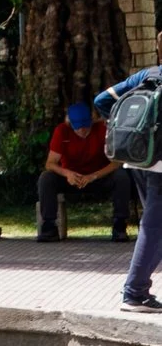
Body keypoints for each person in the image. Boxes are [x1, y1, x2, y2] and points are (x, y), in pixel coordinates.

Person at [98, 67, 162, 310]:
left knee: (156, 229)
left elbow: (102, 100)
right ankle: (134, 292)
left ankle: (137, 290)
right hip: (160, 168)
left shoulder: (147, 76)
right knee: (153, 228)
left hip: (138, 160)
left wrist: (127, 132)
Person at [37, 101, 133, 242]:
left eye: (85, 126)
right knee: (46, 178)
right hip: (72, 178)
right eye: (77, 127)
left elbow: (117, 162)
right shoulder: (61, 131)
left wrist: (93, 176)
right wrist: (67, 173)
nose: (82, 130)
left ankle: (120, 225)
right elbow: (50, 163)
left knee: (121, 177)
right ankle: (49, 226)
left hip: (98, 176)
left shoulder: (102, 129)